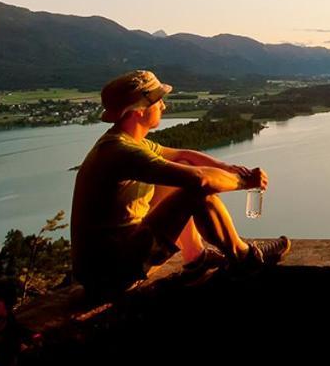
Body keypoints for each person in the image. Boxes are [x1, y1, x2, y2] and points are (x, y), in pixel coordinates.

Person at [70, 69, 290, 295]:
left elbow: (183, 155)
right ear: (137, 110)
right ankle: (246, 259)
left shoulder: (124, 142)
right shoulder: (122, 152)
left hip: (103, 268)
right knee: (195, 193)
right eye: (158, 101)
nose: (164, 106)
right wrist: (243, 181)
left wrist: (227, 168)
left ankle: (197, 259)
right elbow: (201, 180)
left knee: (183, 172)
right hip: (111, 277)